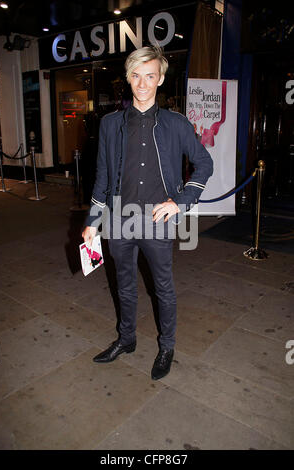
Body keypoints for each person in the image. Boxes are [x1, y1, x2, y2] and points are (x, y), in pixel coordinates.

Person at [82, 45, 213, 380]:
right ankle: (126, 340)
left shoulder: (175, 124)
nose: (142, 83)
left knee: (163, 288)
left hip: (157, 221)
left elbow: (204, 164)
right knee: (123, 284)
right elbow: (103, 177)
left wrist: (180, 202)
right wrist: (92, 223)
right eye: (136, 75)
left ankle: (166, 346)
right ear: (128, 78)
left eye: (150, 76)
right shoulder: (110, 124)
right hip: (119, 219)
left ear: (161, 79)